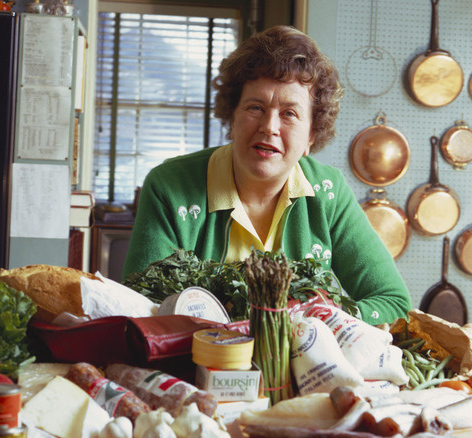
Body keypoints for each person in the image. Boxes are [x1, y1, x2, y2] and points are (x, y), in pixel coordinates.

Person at [122, 25, 411, 325]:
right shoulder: (169, 186)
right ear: (232, 118)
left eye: (289, 113)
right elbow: (140, 306)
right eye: (255, 107)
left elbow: (394, 303)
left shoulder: (329, 193)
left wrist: (324, 319)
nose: (269, 126)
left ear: (312, 134)